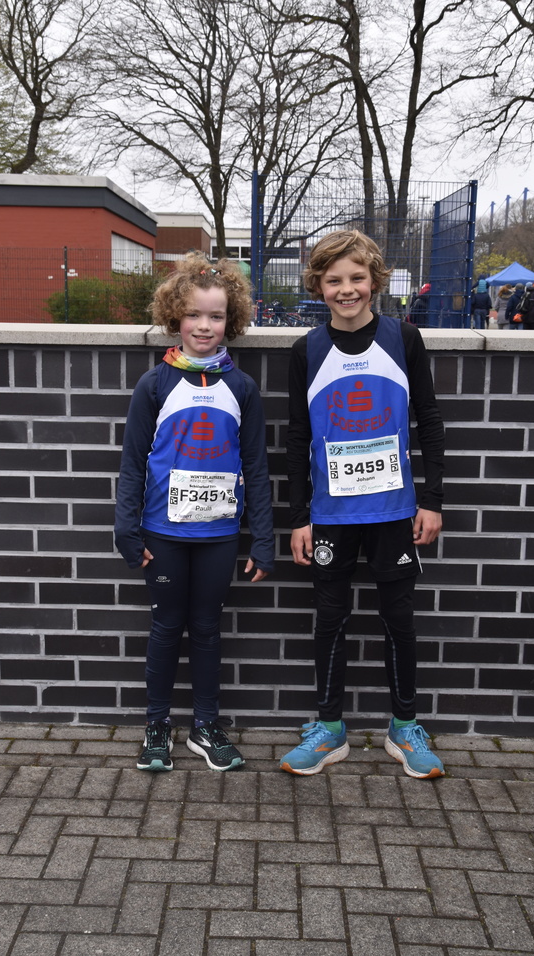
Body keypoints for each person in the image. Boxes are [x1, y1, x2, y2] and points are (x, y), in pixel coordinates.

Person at [281, 229, 445, 780]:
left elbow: (430, 420)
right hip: (330, 516)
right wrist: (299, 516)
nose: (346, 289)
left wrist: (433, 499)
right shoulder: (306, 350)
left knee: (399, 618)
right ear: (319, 286)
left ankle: (404, 727)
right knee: (330, 619)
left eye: (356, 278)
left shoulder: (405, 338)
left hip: (396, 512)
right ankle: (330, 730)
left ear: (374, 280)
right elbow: (297, 439)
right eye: (334, 280)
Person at [115, 253, 274, 773]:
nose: (205, 326)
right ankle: (156, 726)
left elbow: (255, 464)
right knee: (166, 627)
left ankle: (207, 727)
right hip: (161, 533)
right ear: (175, 317)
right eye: (195, 315)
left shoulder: (242, 389)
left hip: (219, 534)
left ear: (233, 321)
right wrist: (127, 526)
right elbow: (133, 462)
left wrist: (264, 538)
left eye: (216, 316)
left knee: (207, 629)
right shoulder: (154, 385)